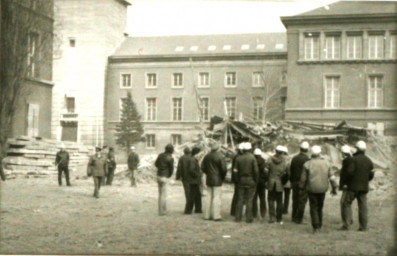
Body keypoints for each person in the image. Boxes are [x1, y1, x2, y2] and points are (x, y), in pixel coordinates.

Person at [300, 145, 337, 234]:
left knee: (313, 207)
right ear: (320, 153)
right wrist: (334, 187)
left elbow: (303, 179)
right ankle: (319, 224)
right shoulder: (327, 163)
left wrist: (301, 188)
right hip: (323, 188)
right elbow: (332, 177)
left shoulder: (307, 164)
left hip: (311, 188)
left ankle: (316, 226)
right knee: (320, 207)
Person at [341, 140, 374, 231]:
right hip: (364, 187)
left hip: (352, 187)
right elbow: (371, 174)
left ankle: (346, 224)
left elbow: (349, 172)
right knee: (363, 206)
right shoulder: (369, 160)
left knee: (346, 203)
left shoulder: (353, 159)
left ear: (357, 149)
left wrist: (346, 183)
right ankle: (363, 227)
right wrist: (365, 180)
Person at [201, 141, 227, 221]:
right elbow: (224, 169)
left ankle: (207, 215)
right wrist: (222, 177)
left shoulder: (207, 156)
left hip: (209, 178)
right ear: (218, 148)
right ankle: (216, 215)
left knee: (208, 197)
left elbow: (202, 167)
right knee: (216, 197)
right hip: (217, 179)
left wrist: (208, 173)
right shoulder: (220, 156)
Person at [235, 142, 258, 223]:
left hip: (241, 180)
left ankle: (238, 217)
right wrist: (255, 180)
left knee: (240, 199)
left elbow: (235, 171)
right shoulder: (253, 158)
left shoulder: (238, 158)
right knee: (249, 200)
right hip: (250, 180)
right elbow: (256, 171)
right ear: (250, 149)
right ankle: (248, 218)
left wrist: (237, 180)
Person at [266, 145, 289, 224]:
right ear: (282, 152)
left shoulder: (269, 160)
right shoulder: (285, 161)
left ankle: (272, 218)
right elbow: (287, 173)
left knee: (271, 200)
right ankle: (279, 219)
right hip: (280, 183)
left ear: (275, 151)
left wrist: (267, 178)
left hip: (271, 182)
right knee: (279, 201)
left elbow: (265, 171)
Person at [289, 141, 310, 224]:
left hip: (294, 182)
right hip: (303, 183)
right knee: (302, 201)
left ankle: (293, 216)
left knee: (295, 200)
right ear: (307, 150)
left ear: (300, 149)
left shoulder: (294, 158)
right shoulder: (307, 160)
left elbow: (291, 170)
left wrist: (291, 181)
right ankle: (299, 218)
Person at [155, 144, 175, 216]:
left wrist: (161, 168)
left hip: (158, 175)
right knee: (164, 194)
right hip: (165, 176)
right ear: (171, 150)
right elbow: (171, 169)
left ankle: (161, 210)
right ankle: (162, 211)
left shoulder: (160, 155)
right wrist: (169, 175)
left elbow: (156, 164)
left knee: (160, 194)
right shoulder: (170, 158)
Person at [339, 144, 353, 230]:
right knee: (347, 203)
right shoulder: (350, 160)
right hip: (349, 185)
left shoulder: (347, 161)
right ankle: (349, 219)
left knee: (344, 203)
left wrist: (345, 184)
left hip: (347, 186)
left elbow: (347, 174)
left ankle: (346, 223)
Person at [185, 147, 203, 214]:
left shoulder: (193, 159)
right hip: (193, 180)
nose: (201, 155)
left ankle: (198, 209)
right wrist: (198, 175)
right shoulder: (193, 160)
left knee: (197, 195)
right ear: (196, 153)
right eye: (200, 153)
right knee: (192, 195)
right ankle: (188, 210)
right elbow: (191, 170)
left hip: (194, 180)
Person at [176, 147, 193, 213]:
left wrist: (178, 177)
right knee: (192, 193)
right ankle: (193, 208)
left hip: (185, 178)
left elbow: (179, 168)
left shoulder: (181, 158)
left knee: (187, 193)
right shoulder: (193, 158)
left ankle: (188, 209)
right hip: (193, 178)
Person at [252, 148, 267, 221]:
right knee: (262, 198)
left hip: (254, 181)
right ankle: (263, 213)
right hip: (262, 182)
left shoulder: (252, 161)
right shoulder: (264, 161)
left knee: (254, 198)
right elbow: (266, 172)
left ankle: (254, 213)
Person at [230, 143, 244, 216]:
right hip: (238, 178)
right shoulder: (238, 157)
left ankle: (233, 210)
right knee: (238, 195)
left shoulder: (236, 156)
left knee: (237, 194)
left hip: (236, 178)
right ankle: (234, 211)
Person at [281, 146, 291, 214]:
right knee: (287, 196)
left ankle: (280, 207)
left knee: (280, 195)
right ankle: (285, 209)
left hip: (280, 180)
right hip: (288, 180)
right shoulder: (290, 159)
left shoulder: (279, 158)